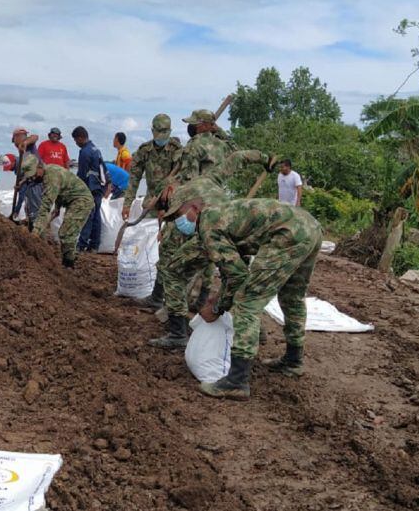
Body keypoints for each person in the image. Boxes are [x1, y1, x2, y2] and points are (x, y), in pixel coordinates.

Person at [160, 179, 323, 400]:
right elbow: (239, 262)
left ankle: (236, 381)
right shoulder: (225, 214)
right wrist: (220, 298)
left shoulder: (208, 223)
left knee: (248, 301)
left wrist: (216, 307)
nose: (179, 221)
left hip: (287, 233)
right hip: (309, 226)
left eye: (180, 214)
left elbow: (238, 276)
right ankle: (293, 361)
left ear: (195, 208)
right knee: (292, 297)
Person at [147, 109, 233, 347]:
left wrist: (170, 199)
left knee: (173, 262)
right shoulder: (223, 146)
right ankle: (196, 309)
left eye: (196, 124)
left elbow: (189, 181)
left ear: (204, 125)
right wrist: (218, 131)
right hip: (216, 207)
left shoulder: (193, 147)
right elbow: (234, 149)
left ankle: (176, 322)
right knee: (206, 260)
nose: (192, 127)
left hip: (193, 208)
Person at [19, 155, 93, 268]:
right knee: (65, 232)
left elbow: (45, 207)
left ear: (40, 167)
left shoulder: (51, 177)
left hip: (81, 201)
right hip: (69, 200)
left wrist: (35, 232)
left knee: (66, 233)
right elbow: (61, 190)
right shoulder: (48, 171)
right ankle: (68, 259)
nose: (33, 178)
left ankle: (69, 263)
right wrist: (56, 209)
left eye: (34, 174)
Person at [123, 113, 183, 219]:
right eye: (158, 132)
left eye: (164, 133)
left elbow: (181, 178)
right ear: (152, 131)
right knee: (147, 228)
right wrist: (127, 205)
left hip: (172, 204)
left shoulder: (177, 150)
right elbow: (134, 179)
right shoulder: (144, 151)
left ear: (170, 131)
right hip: (151, 204)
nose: (161, 137)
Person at [71, 126, 106, 252]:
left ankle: (82, 244)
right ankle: (94, 245)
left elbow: (82, 173)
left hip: (90, 187)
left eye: (76, 140)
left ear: (80, 138)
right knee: (96, 216)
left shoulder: (85, 152)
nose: (76, 143)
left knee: (87, 215)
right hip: (99, 187)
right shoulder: (96, 149)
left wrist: (75, 188)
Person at [11, 128, 43, 226]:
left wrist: (25, 142)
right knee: (29, 208)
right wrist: (20, 183)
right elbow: (28, 173)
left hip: (37, 182)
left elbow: (35, 137)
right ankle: (30, 225)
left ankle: (35, 228)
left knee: (35, 208)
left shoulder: (29, 144)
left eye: (14, 140)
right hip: (30, 181)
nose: (15, 144)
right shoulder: (23, 152)